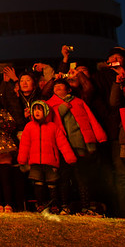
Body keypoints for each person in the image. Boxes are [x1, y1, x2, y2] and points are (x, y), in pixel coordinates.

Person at [47, 78, 106, 214]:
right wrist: (62, 109)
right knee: (64, 177)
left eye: (61, 86)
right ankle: (64, 205)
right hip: (61, 146)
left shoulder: (78, 102)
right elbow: (48, 121)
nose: (57, 88)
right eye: (55, 87)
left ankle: (86, 206)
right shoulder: (49, 104)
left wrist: (99, 137)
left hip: (79, 144)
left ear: (68, 90)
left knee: (82, 177)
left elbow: (91, 119)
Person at [18, 100, 76, 212]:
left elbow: (63, 144)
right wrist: (22, 159)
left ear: (46, 111)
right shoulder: (29, 127)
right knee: (38, 183)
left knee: (52, 184)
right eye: (35, 110)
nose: (37, 112)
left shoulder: (53, 127)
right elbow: (25, 144)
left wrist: (70, 157)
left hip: (50, 161)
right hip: (35, 162)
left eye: (39, 109)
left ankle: (54, 204)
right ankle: (40, 204)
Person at [109, 47, 125, 218]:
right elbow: (114, 102)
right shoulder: (111, 78)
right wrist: (118, 83)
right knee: (123, 175)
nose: (116, 62)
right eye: (112, 59)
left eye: (119, 58)